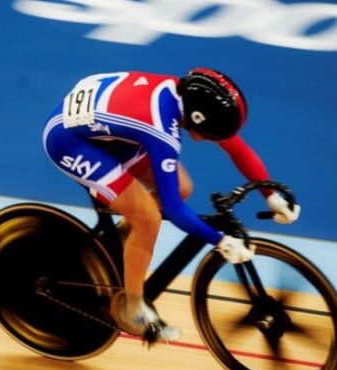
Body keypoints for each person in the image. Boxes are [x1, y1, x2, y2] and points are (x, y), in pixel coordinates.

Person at [42, 68, 300, 342]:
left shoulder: (189, 100)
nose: (213, 139)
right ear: (199, 119)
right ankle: (131, 308)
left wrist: (272, 196)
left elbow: (238, 149)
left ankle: (117, 246)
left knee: (181, 187)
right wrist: (220, 241)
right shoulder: (160, 130)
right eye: (212, 133)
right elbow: (174, 211)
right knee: (148, 219)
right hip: (69, 141)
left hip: (108, 131)